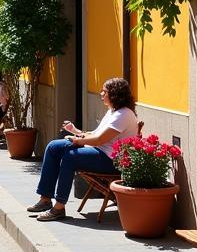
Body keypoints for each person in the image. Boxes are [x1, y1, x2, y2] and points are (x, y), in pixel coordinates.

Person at [27, 76, 139, 222]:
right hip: (99, 151)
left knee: (70, 156)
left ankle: (59, 207)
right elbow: (95, 134)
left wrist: (77, 141)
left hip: (110, 160)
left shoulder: (123, 114)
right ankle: (45, 199)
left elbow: (100, 140)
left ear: (115, 94)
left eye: (104, 92)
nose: (101, 94)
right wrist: (76, 131)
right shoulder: (112, 111)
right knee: (53, 147)